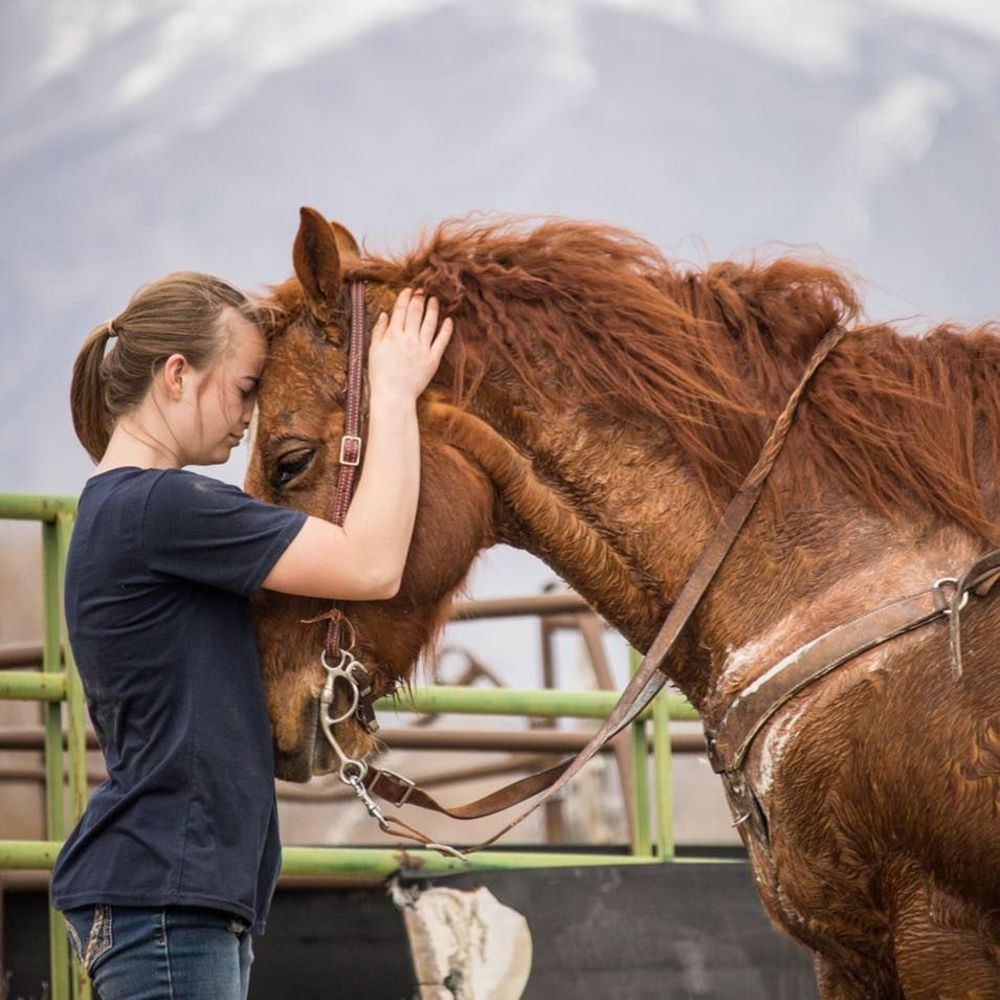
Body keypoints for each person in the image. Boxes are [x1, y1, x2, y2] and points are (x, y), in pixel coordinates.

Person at [55, 271, 452, 1000]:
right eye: (243, 388)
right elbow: (370, 563)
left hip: (177, 894)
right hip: (168, 898)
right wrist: (392, 394)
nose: (250, 415)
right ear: (177, 375)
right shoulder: (165, 506)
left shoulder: (131, 511)